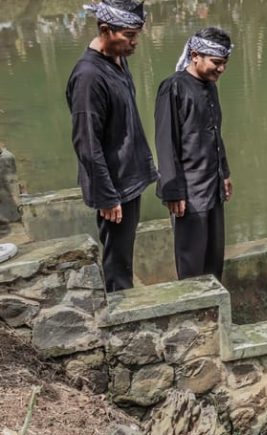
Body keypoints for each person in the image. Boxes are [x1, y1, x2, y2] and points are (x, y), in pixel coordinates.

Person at [65, 0, 157, 292]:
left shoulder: (117, 59)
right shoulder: (89, 77)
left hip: (128, 176)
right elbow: (86, 142)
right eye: (129, 35)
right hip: (113, 185)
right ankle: (121, 323)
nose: (134, 42)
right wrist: (106, 195)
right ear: (105, 29)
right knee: (117, 262)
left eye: (136, 35)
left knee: (124, 254)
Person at [154, 27, 234, 281]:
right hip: (189, 191)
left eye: (224, 63)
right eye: (217, 62)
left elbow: (214, 135)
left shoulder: (210, 87)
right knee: (192, 258)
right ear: (195, 55)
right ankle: (193, 313)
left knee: (214, 254)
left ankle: (213, 310)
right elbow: (165, 142)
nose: (221, 69)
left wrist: (225, 173)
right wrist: (173, 190)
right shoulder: (173, 87)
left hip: (213, 185)